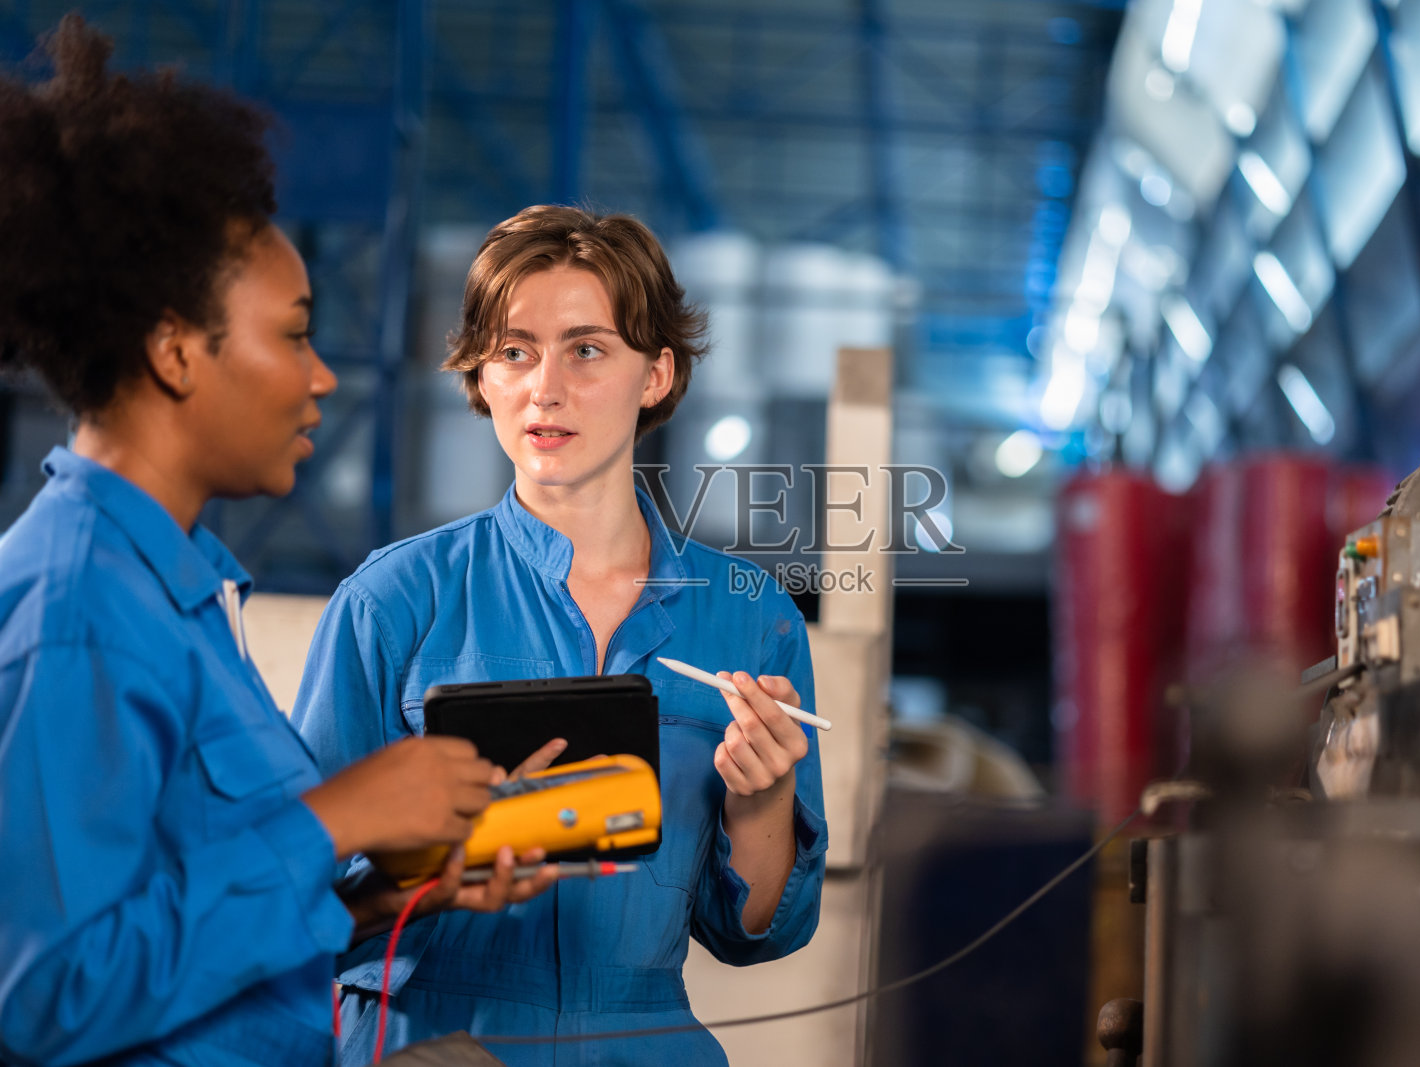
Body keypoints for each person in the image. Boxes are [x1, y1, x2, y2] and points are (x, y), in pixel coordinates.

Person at [0, 19, 553, 1066]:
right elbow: (39, 996)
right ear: (175, 351)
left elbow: (179, 930)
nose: (322, 375)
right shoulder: (78, 614)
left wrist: (384, 897)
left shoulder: (176, 592)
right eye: (294, 333)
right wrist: (334, 817)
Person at [292, 205, 828, 1064]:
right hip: (432, 1040)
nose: (545, 387)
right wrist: (437, 868)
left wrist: (760, 799)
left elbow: (753, 934)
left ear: (654, 374)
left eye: (586, 349)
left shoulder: (749, 615)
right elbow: (288, 903)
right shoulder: (392, 601)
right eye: (514, 350)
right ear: (481, 374)